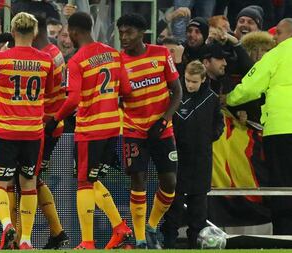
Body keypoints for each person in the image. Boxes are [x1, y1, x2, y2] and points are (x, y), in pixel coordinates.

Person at [45, 11, 133, 250]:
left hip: (91, 128)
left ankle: (87, 242)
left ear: (74, 31)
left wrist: (54, 118)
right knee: (92, 181)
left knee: (84, 183)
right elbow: (126, 88)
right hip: (113, 127)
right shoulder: (114, 54)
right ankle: (120, 227)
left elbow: (72, 99)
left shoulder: (76, 60)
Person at [0, 12, 54, 250]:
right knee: (29, 183)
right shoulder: (45, 60)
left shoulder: (2, 58)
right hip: (33, 133)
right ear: (34, 33)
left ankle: (7, 224)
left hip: (6, 131)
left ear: (12, 32)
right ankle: (26, 240)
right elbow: (50, 90)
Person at [116, 13, 182, 249]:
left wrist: (164, 120)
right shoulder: (118, 62)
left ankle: (153, 225)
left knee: (170, 182)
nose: (124, 37)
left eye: (129, 32)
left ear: (142, 33)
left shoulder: (161, 54)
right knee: (138, 179)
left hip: (162, 129)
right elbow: (117, 98)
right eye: (121, 32)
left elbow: (177, 91)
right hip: (134, 131)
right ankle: (141, 238)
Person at [223, 18, 292, 235]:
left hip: (281, 130)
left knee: (281, 185)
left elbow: (250, 87)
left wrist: (229, 99)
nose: (274, 37)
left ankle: (284, 234)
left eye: (279, 33)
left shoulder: (276, 55)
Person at [161, 60, 223, 249]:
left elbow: (218, 125)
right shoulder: (175, 97)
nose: (189, 84)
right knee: (173, 209)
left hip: (201, 160)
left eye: (194, 81)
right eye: (187, 80)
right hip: (177, 159)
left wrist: (208, 137)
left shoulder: (211, 99)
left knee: (198, 212)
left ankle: (195, 247)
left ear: (203, 80)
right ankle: (169, 245)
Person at [32, 14, 69, 249]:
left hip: (44, 126)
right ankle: (57, 233)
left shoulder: (43, 56)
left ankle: (22, 238)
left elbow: (34, 93)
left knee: (26, 179)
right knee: (32, 179)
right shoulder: (54, 51)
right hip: (52, 125)